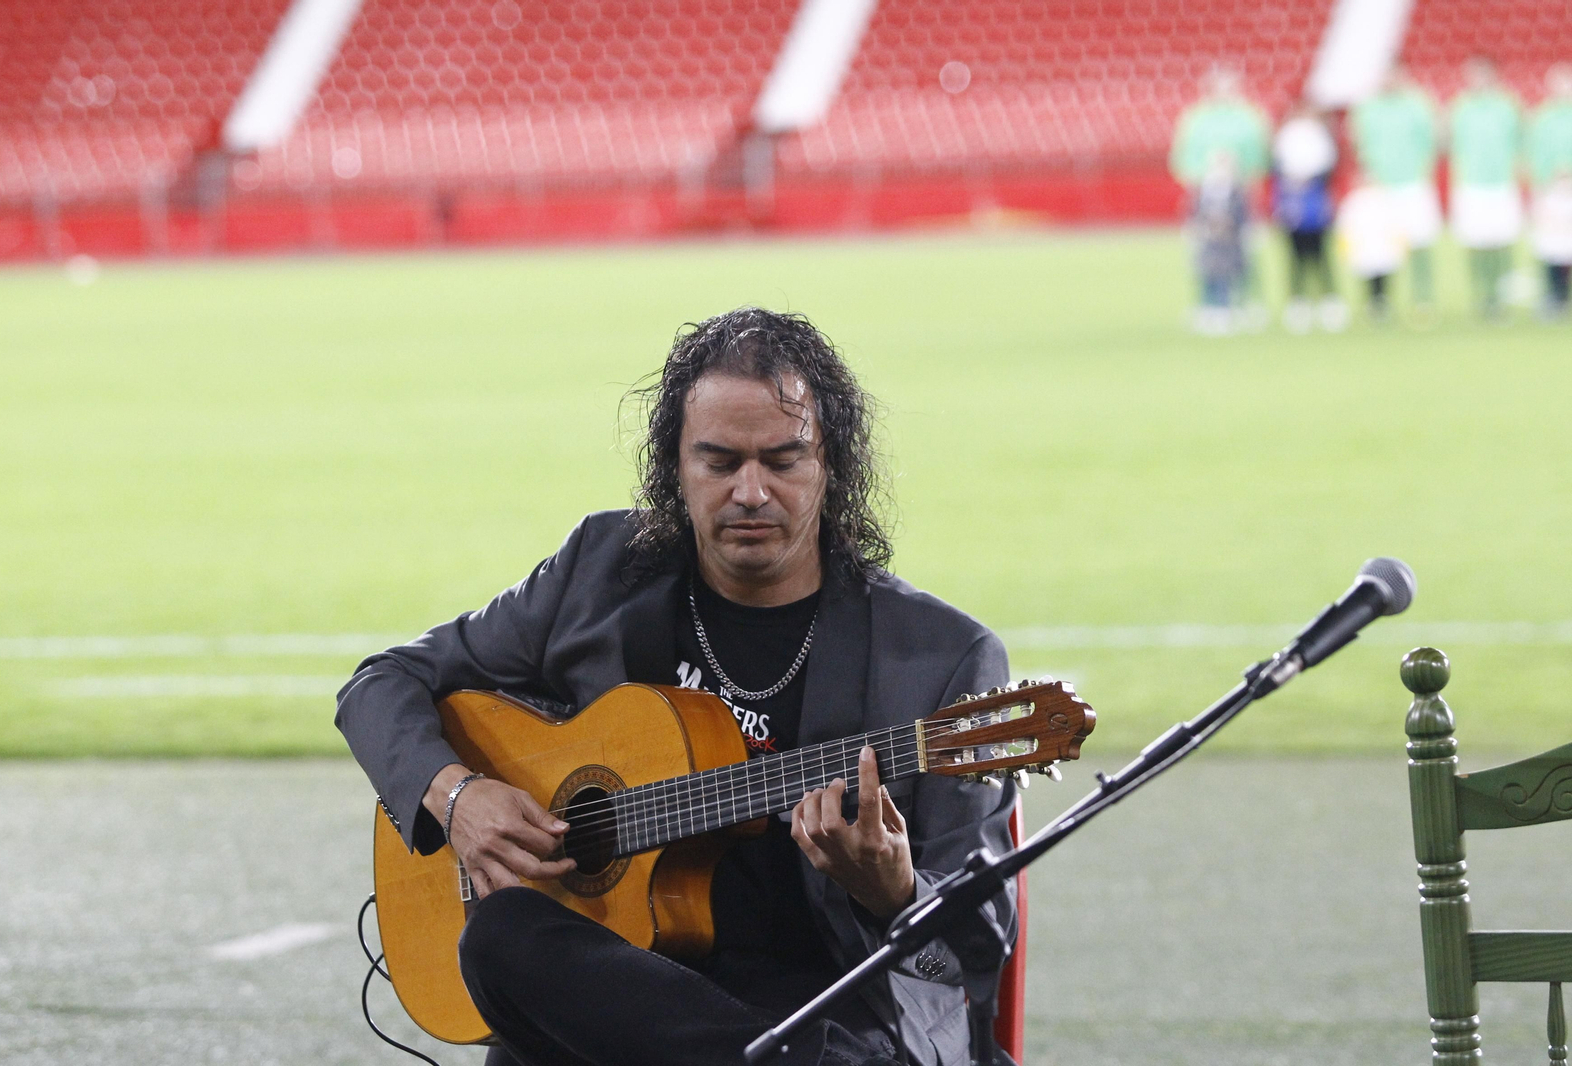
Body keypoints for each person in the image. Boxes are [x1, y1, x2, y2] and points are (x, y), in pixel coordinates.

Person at [336, 308, 1018, 1066]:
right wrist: (457, 795)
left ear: (830, 467)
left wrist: (894, 892)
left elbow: (978, 946)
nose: (751, 491)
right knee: (500, 935)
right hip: (619, 982)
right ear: (676, 470)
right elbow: (381, 684)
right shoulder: (599, 571)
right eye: (720, 463)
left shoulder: (942, 660)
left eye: (783, 461)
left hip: (824, 1006)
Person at [1170, 63, 1272, 329]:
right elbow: (1185, 158)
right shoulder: (1195, 118)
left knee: (1244, 255)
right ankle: (1208, 303)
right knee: (1205, 257)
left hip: (1239, 193)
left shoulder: (1249, 116)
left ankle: (1246, 302)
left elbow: (1258, 158)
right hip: (1207, 195)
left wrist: (1247, 191)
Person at [1350, 65, 1442, 315]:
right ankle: (1380, 298)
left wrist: (1423, 170)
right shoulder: (1368, 108)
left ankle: (1422, 296)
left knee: (1419, 241)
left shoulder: (1418, 105)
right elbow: (1360, 144)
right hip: (1380, 186)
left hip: (1412, 183)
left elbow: (1430, 141)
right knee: (1379, 245)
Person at [1449, 56, 1524, 319]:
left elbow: (1519, 142)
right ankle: (1481, 294)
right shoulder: (1461, 107)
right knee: (1475, 241)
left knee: (1502, 240)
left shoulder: (1508, 106)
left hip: (1501, 182)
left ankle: (1501, 296)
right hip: (1472, 183)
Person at [1271, 102, 1347, 332]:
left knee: (1321, 255)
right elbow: (1277, 166)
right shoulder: (1287, 135)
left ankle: (1329, 301)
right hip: (1292, 203)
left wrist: (1310, 179)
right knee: (1295, 257)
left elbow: (1328, 167)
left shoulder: (1319, 136)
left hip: (1314, 202)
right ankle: (1298, 302)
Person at [1527, 64, 1572, 318]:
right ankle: (1556, 295)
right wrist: (1546, 179)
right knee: (1551, 244)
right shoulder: (1543, 118)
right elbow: (1536, 153)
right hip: (1551, 190)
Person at [1187, 150, 1249, 334]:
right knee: (1207, 275)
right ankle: (1207, 308)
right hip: (1208, 240)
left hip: (1228, 241)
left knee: (1225, 276)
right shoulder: (1204, 191)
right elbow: (1195, 213)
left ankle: (1224, 310)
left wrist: (1227, 224)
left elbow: (1241, 216)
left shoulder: (1236, 191)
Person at [1337, 181, 1407, 321]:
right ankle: (1374, 303)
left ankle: (1380, 302)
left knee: (1382, 276)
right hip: (1366, 247)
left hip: (1381, 247)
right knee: (1370, 276)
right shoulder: (1356, 200)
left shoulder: (1382, 198)